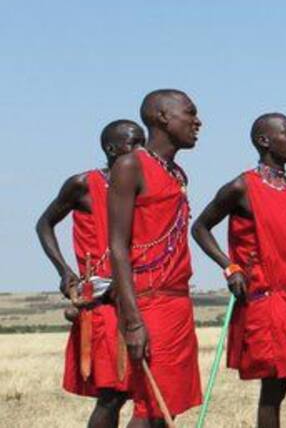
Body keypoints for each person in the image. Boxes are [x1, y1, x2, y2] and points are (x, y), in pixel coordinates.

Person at [191, 113, 286, 428]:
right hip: (264, 302)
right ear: (264, 140)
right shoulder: (242, 186)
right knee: (273, 387)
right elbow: (200, 228)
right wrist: (229, 266)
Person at [36, 119, 144, 427]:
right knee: (112, 394)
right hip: (103, 301)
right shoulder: (83, 184)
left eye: (143, 143)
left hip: (141, 296)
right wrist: (64, 270)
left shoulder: (146, 185)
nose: (140, 150)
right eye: (133, 143)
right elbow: (44, 223)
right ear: (111, 149)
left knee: (147, 392)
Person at [108, 89, 203, 426]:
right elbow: (117, 246)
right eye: (190, 113)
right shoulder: (131, 165)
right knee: (149, 408)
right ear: (163, 117)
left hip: (177, 301)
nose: (198, 121)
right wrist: (132, 321)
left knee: (168, 407)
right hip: (149, 304)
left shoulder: (177, 174)